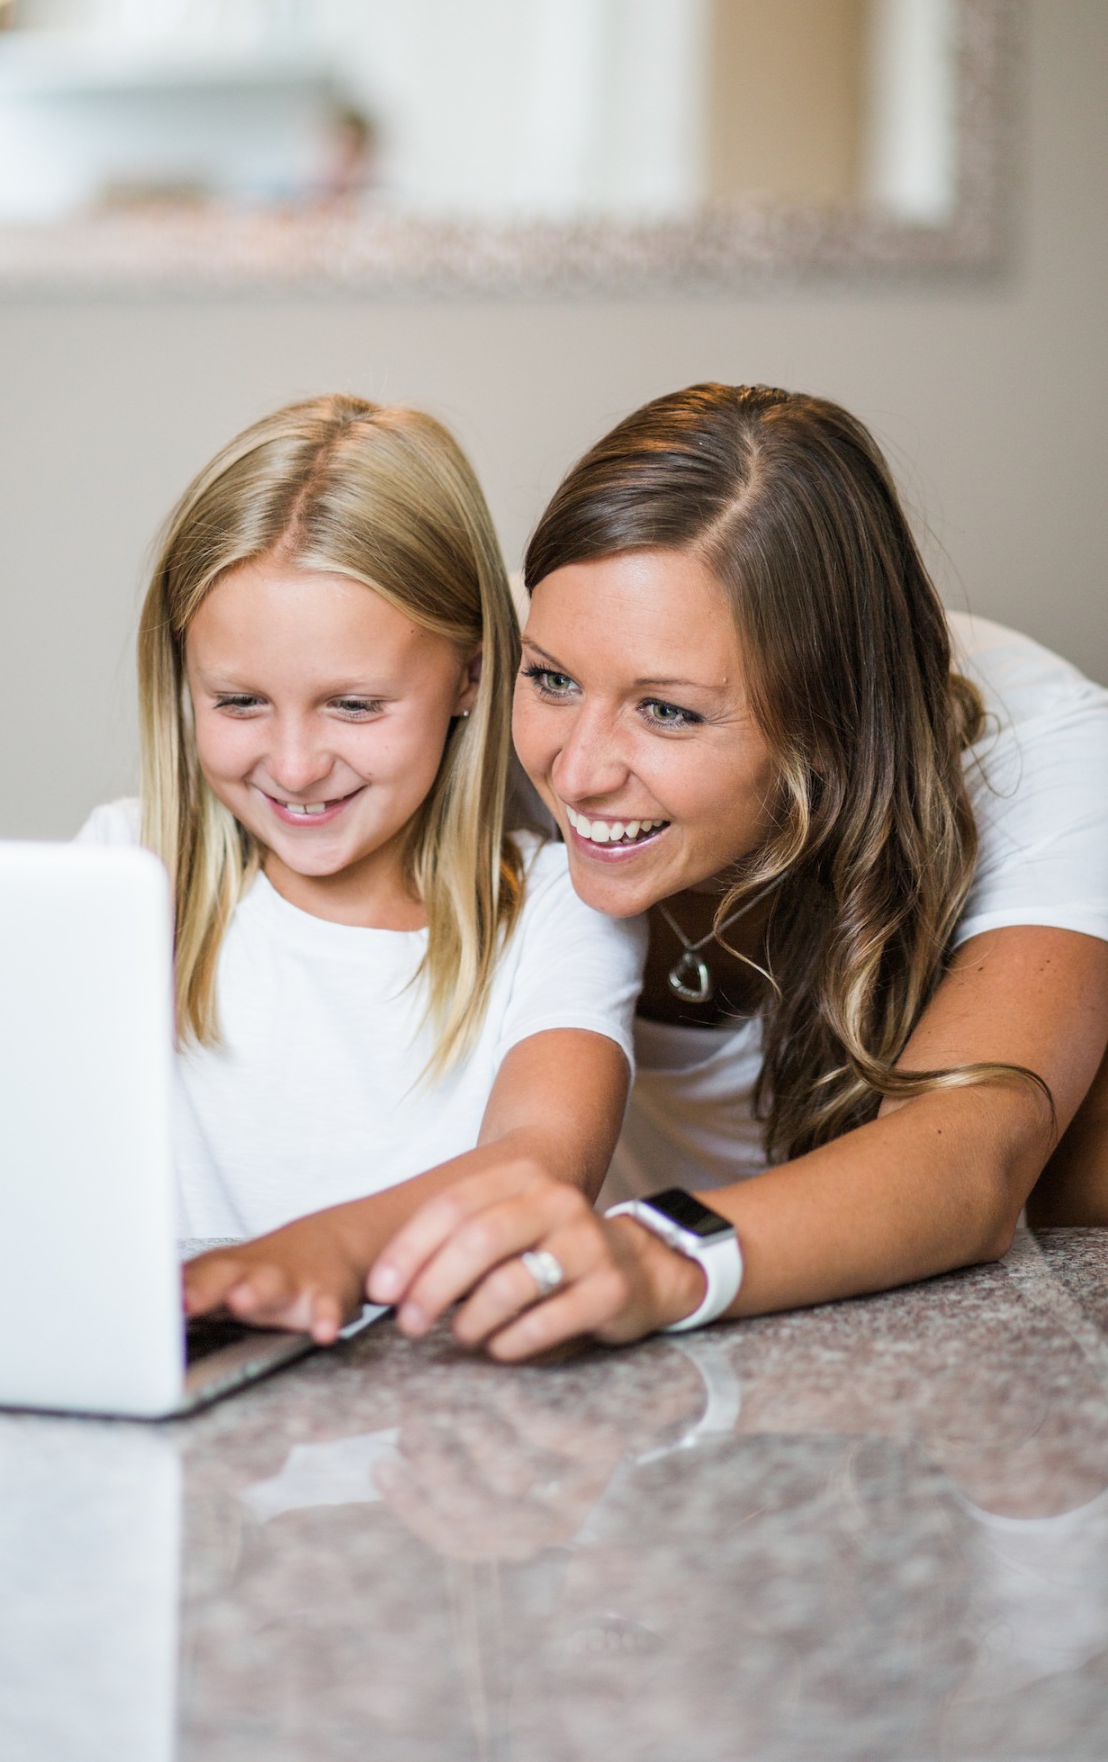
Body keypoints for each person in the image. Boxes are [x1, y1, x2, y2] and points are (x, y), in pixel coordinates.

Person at [362, 384, 1108, 1358]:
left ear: (833, 726)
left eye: (667, 711)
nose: (576, 771)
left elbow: (970, 1163)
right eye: (552, 679)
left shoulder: (1040, 744)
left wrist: (659, 1258)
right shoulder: (457, 681)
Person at [77, 394, 641, 1342]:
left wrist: (324, 1254)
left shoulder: (556, 907)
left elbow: (540, 1161)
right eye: (241, 701)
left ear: (469, 677)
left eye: (353, 706)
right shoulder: (124, 871)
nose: (294, 766)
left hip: (439, 1437)